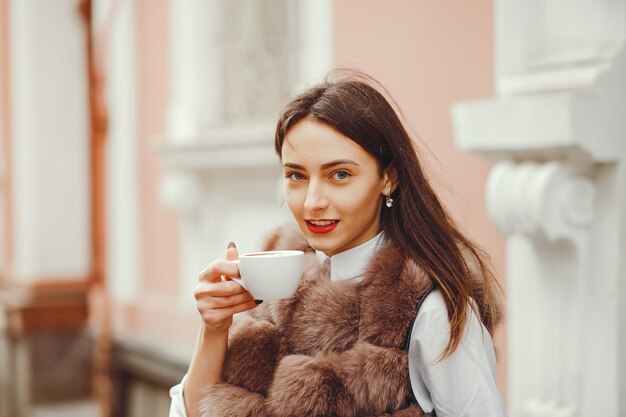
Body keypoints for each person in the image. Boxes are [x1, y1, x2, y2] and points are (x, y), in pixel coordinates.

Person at [169, 72, 507, 417]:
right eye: (296, 176)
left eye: (340, 175)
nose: (313, 201)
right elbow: (193, 412)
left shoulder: (430, 309)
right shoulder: (280, 278)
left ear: (388, 177)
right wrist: (214, 329)